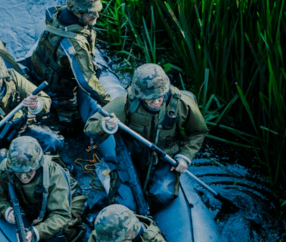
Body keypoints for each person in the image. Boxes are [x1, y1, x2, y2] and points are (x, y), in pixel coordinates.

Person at [84, 63, 208, 206]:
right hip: (133, 159)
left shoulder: (181, 103)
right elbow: (90, 127)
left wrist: (185, 156)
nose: (156, 103)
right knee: (125, 202)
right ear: (139, 94)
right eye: (150, 99)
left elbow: (199, 131)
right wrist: (105, 125)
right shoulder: (127, 103)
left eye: (160, 98)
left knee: (162, 196)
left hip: (165, 160)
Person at [30, 0, 111, 129]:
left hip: (41, 69)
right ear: (78, 13)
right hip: (59, 88)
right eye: (91, 13)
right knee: (71, 126)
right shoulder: (75, 45)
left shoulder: (57, 12)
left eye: (97, 11)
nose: (97, 15)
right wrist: (109, 102)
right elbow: (87, 82)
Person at [0, 136, 87, 242]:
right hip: (36, 203)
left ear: (38, 165)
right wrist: (7, 211)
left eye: (29, 172)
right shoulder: (8, 169)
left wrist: (36, 232)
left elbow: (61, 215)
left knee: (59, 235)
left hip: (67, 201)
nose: (24, 177)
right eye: (19, 173)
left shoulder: (54, 175)